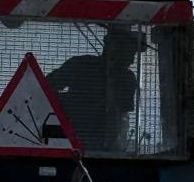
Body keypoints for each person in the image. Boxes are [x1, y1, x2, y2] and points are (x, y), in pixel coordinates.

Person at [45, 24, 139, 152]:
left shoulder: (127, 79)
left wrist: (118, 144)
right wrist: (73, 105)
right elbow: (46, 88)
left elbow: (122, 114)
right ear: (113, 48)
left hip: (105, 145)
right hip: (71, 140)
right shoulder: (81, 65)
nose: (133, 60)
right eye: (130, 52)